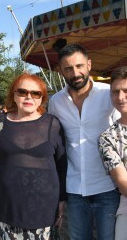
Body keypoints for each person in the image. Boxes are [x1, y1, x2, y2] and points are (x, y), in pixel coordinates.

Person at [48, 44, 120, 240]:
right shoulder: (55, 102)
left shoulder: (109, 94)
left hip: (108, 186)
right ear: (60, 71)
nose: (76, 72)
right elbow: (54, 141)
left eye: (80, 66)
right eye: (69, 68)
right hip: (74, 189)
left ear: (89, 64)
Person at [0, 72, 67, 240]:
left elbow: (62, 166)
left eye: (35, 93)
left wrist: (62, 200)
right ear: (14, 94)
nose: (28, 97)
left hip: (43, 206)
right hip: (9, 204)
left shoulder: (52, 124)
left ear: (42, 98)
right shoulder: (0, 122)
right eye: (22, 92)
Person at [99, 67, 127, 240]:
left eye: (126, 90)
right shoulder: (108, 137)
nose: (121, 97)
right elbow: (123, 182)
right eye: (115, 92)